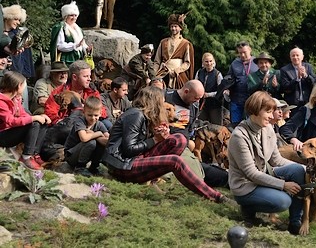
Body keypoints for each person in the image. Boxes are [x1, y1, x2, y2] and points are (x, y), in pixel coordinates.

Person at [102, 86, 230, 204]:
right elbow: (129, 150)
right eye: (161, 102)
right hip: (122, 165)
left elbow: (142, 144)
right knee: (175, 161)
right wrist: (156, 140)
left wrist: (161, 136)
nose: (163, 105)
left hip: (134, 159)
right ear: (153, 102)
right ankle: (216, 196)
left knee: (178, 139)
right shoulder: (135, 115)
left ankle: (155, 178)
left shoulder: (144, 116)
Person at [228, 91, 305, 234]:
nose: (272, 116)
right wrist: (283, 185)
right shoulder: (239, 136)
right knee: (283, 201)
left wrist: (305, 168)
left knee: (298, 171)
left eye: (272, 111)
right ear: (255, 110)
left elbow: (277, 160)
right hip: (245, 186)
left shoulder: (268, 128)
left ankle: (295, 222)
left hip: (263, 174)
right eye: (268, 111)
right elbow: (251, 173)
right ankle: (248, 207)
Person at [0, 71, 52, 170]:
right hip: (3, 135)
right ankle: (26, 157)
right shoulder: (1, 102)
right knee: (33, 123)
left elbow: (23, 115)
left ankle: (34, 154)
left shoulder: (15, 99)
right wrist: (33, 118)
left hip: (12, 132)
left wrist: (40, 117)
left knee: (40, 122)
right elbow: (10, 121)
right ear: (19, 86)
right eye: (24, 84)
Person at [45, 60, 108, 124]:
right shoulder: (59, 92)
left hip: (89, 124)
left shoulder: (92, 92)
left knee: (106, 123)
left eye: (89, 76)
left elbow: (103, 112)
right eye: (85, 76)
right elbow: (50, 112)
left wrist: (88, 110)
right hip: (66, 126)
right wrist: (60, 122)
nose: (89, 79)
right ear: (74, 77)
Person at [63, 96, 109, 176]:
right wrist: (98, 134)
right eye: (90, 115)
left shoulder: (100, 124)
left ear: (100, 113)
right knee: (91, 142)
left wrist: (95, 135)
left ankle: (94, 167)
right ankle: (80, 167)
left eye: (96, 115)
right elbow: (84, 138)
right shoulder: (80, 121)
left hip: (86, 153)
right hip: (72, 155)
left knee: (100, 144)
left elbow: (108, 141)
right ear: (84, 112)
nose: (93, 118)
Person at [155, 13, 194, 90]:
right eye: (172, 26)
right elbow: (157, 60)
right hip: (164, 73)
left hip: (178, 75)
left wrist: (177, 70)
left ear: (180, 28)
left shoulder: (185, 43)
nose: (173, 28)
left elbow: (187, 62)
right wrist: (154, 74)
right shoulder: (163, 42)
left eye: (175, 26)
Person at [225, 41, 258, 124]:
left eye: (244, 52)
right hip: (236, 98)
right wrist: (227, 88)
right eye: (240, 53)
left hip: (252, 99)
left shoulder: (257, 63)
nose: (242, 55)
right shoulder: (235, 63)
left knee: (251, 123)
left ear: (250, 50)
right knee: (235, 123)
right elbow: (229, 77)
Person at [49, 2, 89, 66]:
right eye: (71, 15)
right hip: (66, 60)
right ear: (65, 16)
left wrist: (87, 48)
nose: (74, 18)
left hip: (78, 59)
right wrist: (75, 45)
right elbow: (59, 46)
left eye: (75, 15)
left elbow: (81, 44)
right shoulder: (61, 27)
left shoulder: (78, 29)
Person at [279, 47, 315, 118]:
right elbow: (285, 87)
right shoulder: (284, 70)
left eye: (297, 55)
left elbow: (314, 83)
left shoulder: (308, 67)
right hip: (293, 104)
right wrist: (297, 79)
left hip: (307, 102)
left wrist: (306, 76)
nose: (295, 57)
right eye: (293, 55)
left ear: (302, 57)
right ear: (290, 57)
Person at [3, 5, 33, 80]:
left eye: (19, 20)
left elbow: (26, 58)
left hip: (17, 75)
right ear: (8, 17)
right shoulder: (1, 35)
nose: (18, 23)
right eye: (16, 19)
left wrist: (25, 74)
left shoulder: (20, 35)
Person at [195, 52, 224, 125]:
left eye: (211, 61)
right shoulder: (199, 72)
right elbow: (195, 85)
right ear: (203, 63)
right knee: (199, 124)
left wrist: (208, 95)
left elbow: (221, 90)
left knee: (216, 126)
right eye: (206, 61)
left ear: (213, 62)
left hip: (215, 104)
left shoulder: (217, 74)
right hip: (202, 104)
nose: (209, 63)